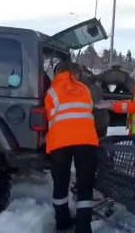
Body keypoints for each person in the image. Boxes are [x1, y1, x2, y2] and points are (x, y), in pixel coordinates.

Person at [44, 62, 99, 233]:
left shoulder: (52, 90)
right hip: (86, 140)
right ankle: (83, 227)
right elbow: (89, 109)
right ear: (76, 74)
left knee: (61, 183)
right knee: (85, 184)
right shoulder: (84, 89)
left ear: (59, 72)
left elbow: (50, 115)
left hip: (60, 142)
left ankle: (62, 221)